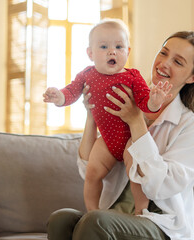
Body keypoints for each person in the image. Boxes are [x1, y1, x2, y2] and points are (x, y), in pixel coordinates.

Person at [47, 30, 194, 240]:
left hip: (159, 224)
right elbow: (87, 169)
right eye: (163, 53)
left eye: (178, 62)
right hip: (113, 216)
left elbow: (160, 187)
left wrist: (136, 121)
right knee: (61, 219)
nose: (164, 63)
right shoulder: (128, 97)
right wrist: (91, 115)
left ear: (192, 77)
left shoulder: (191, 126)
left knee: (95, 221)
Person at [43, 18, 172, 214]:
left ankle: (141, 210)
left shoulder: (133, 77)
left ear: (127, 52)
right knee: (92, 173)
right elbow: (71, 92)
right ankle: (92, 212)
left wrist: (155, 101)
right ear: (90, 54)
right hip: (107, 141)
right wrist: (59, 97)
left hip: (130, 139)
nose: (112, 51)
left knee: (135, 173)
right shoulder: (86, 75)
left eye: (119, 46)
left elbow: (145, 104)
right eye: (104, 47)